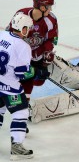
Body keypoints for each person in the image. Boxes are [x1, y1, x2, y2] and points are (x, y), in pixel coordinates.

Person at [6, 0, 58, 102]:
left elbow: (52, 39)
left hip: (38, 55)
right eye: (49, 7)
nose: (51, 10)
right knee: (23, 76)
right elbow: (9, 35)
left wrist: (47, 53)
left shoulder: (51, 19)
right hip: (20, 56)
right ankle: (21, 102)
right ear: (42, 7)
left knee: (39, 81)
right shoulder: (21, 16)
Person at [0, 14, 34, 160]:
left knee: (0, 110)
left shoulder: (1, 35)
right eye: (28, 28)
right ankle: (17, 147)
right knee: (21, 113)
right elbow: (21, 73)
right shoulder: (23, 46)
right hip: (10, 87)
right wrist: (36, 73)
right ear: (23, 28)